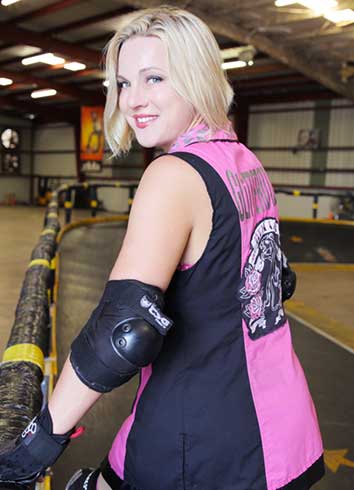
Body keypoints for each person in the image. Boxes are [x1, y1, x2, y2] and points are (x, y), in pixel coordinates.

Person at [0, 6, 324, 490]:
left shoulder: (172, 175)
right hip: (282, 432)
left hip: (202, 440)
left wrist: (40, 438)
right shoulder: (245, 164)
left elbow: (124, 332)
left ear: (196, 78)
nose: (132, 101)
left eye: (154, 78)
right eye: (124, 84)